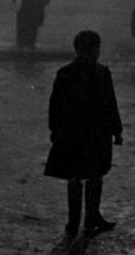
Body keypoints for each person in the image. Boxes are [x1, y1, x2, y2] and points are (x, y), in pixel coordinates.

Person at [45, 31, 123, 238]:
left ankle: (77, 221)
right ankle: (89, 218)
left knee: (78, 176)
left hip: (77, 134)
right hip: (92, 134)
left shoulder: (66, 73)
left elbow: (55, 106)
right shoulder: (100, 73)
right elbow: (110, 104)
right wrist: (116, 130)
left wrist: (55, 130)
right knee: (91, 176)